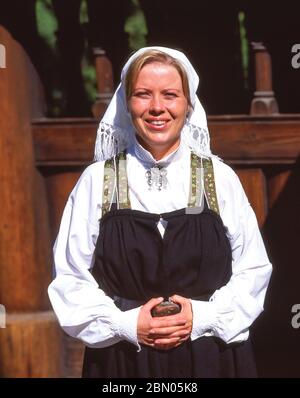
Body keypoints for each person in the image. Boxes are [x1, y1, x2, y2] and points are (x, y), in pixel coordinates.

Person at [48, 46, 272, 378]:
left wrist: (203, 316)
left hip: (213, 357)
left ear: (189, 104)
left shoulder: (218, 178)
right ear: (126, 103)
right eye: (142, 94)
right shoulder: (97, 182)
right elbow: (69, 278)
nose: (157, 108)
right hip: (123, 362)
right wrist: (125, 324)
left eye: (170, 95)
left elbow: (253, 269)